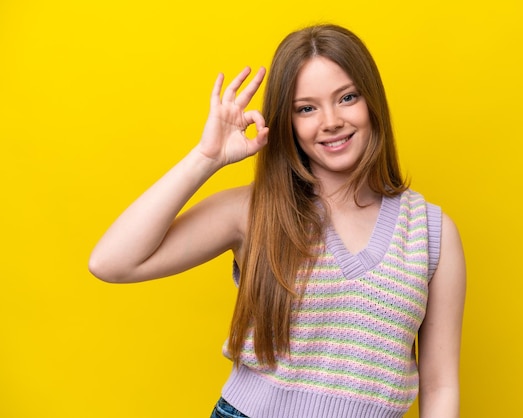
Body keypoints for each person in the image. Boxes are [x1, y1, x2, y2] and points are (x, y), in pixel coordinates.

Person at [89, 24, 466, 418]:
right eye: (306, 108)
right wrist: (206, 158)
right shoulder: (255, 210)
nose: (331, 120)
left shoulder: (430, 232)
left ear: (372, 102)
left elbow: (440, 386)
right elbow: (112, 262)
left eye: (347, 97)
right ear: (287, 122)